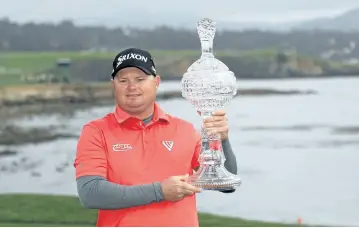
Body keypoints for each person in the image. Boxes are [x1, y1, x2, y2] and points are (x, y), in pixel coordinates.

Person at [74, 47, 238, 227]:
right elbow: (90, 193)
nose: (132, 87)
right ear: (113, 84)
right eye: (123, 80)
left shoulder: (184, 130)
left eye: (140, 79)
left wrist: (222, 140)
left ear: (156, 82)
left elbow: (226, 184)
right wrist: (159, 191)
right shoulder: (96, 131)